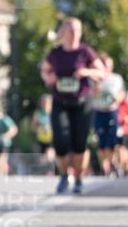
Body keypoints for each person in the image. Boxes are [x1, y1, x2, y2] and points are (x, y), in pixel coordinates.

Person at [40, 17, 104, 195]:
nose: (75, 34)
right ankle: (63, 175)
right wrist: (49, 78)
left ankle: (78, 178)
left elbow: (102, 72)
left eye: (77, 30)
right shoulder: (55, 53)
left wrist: (86, 71)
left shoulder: (85, 52)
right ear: (63, 33)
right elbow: (44, 71)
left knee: (79, 144)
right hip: (60, 102)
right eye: (71, 30)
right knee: (60, 142)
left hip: (82, 102)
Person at [91, 53, 125, 177]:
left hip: (112, 112)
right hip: (99, 112)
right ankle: (105, 167)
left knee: (112, 141)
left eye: (110, 65)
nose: (108, 67)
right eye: (105, 65)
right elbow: (91, 94)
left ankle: (111, 163)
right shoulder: (94, 78)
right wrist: (98, 83)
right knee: (101, 142)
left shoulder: (117, 78)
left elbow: (122, 93)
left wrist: (117, 100)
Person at [0, 105, 18, 176]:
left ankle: (5, 176)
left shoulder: (4, 119)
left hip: (4, 143)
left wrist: (6, 135)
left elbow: (14, 129)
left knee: (3, 160)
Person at [30, 94, 55, 173]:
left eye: (46, 103)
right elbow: (33, 127)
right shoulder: (38, 113)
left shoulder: (54, 112)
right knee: (43, 157)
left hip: (53, 138)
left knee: (49, 153)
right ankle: (47, 170)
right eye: (43, 103)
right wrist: (40, 129)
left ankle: (51, 170)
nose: (45, 105)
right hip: (42, 138)